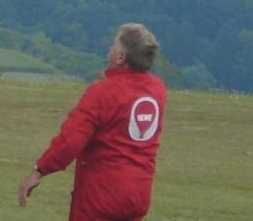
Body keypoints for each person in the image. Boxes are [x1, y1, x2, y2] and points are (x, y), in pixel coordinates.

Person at [17, 23, 166, 221]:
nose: (109, 49)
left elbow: (70, 140)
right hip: (139, 194)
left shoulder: (102, 93)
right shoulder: (157, 90)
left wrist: (40, 171)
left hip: (101, 195)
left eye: (113, 45)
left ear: (121, 57)